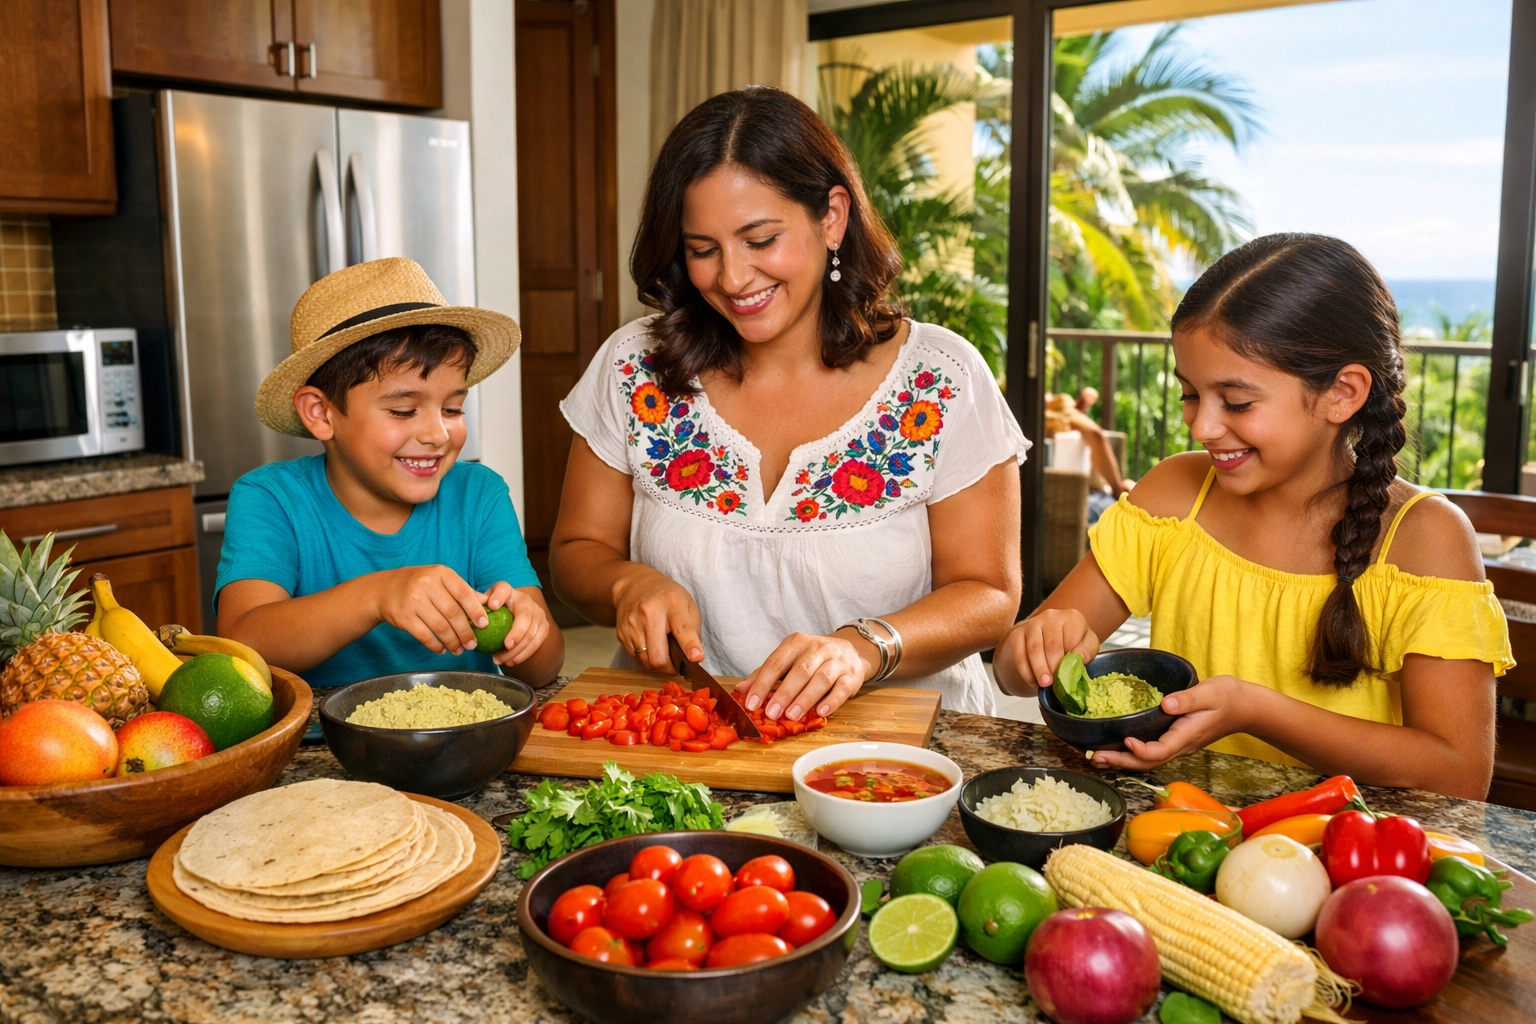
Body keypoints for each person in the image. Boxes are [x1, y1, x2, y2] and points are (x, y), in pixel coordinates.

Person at [551, 86, 1030, 720]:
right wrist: (627, 583)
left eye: (760, 239)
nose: (733, 277)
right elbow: (576, 550)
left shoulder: (939, 379)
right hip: (681, 741)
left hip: (901, 756)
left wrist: (865, 647)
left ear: (832, 217)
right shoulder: (633, 365)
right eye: (702, 249)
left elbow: (991, 594)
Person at [996, 233, 1510, 799]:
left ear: (1344, 392)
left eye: (1236, 402)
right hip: (1179, 832)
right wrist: (1033, 647)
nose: (1202, 426)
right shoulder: (1174, 496)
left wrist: (1257, 711)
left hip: (1349, 862)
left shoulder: (1425, 538)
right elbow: (1011, 674)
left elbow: (1459, 774)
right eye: (1190, 394)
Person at [216, 257, 564, 689]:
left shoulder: (480, 495)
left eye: (453, 408)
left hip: (461, 741)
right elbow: (242, 640)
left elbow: (545, 669)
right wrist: (378, 595)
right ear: (320, 413)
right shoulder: (271, 498)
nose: (438, 434)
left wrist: (528, 629)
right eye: (403, 410)